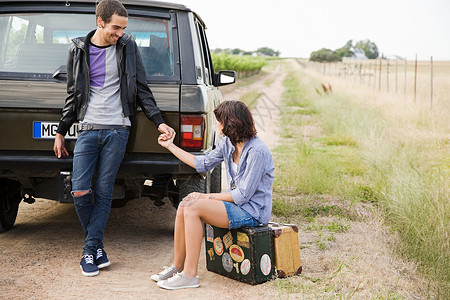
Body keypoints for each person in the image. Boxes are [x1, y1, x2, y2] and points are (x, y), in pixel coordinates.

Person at [53, 0, 174, 277]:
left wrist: (159, 122)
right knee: (80, 189)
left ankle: (89, 251)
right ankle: (96, 247)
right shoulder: (78, 49)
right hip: (87, 129)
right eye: (115, 28)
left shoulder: (127, 46)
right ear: (100, 22)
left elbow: (142, 89)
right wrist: (61, 130)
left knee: (104, 189)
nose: (120, 33)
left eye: (123, 28)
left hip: (118, 128)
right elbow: (73, 95)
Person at [152, 100, 274, 290]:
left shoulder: (257, 151)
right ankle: (177, 266)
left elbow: (242, 195)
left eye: (220, 121)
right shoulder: (228, 144)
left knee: (194, 205)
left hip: (253, 212)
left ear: (231, 123)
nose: (217, 125)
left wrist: (206, 197)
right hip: (238, 205)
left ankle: (190, 275)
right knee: (185, 203)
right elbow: (203, 163)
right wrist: (170, 146)